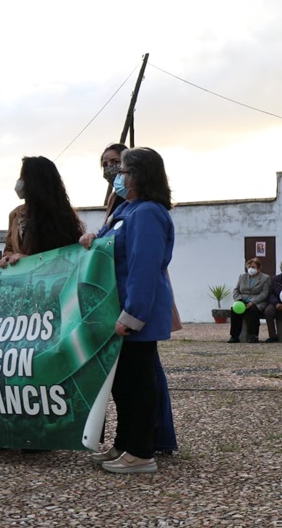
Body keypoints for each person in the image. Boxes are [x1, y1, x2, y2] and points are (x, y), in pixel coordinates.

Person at [80, 146, 174, 474]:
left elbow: (143, 268)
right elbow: (108, 245)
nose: (117, 177)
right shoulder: (126, 211)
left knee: (138, 383)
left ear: (138, 176)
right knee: (122, 384)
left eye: (122, 171)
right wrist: (93, 237)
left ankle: (141, 453)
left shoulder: (147, 213)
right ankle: (124, 445)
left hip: (135, 315)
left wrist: (132, 315)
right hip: (115, 312)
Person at [0, 156, 84, 268]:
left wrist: (29, 260)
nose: (19, 182)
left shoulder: (61, 217)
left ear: (36, 182)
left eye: (23, 177)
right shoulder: (15, 214)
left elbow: (63, 257)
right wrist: (7, 258)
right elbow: (9, 248)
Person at [228, 257, 271, 343]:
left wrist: (253, 302)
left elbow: (264, 293)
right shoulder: (242, 277)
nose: (251, 269)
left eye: (253, 267)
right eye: (249, 267)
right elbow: (236, 290)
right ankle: (234, 336)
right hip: (242, 301)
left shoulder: (265, 278)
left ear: (259, 268)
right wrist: (239, 300)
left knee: (252, 311)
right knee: (234, 310)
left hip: (257, 302)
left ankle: (253, 336)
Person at [263, 261, 282, 343]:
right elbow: (271, 294)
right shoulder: (275, 279)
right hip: (277, 302)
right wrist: (276, 303)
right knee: (268, 311)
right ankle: (272, 336)